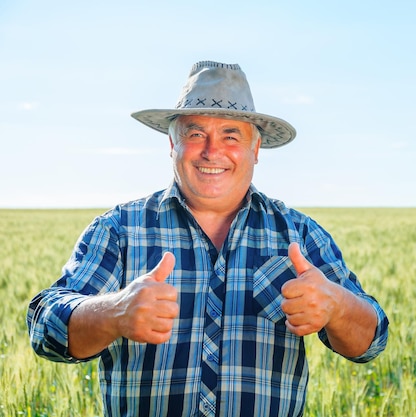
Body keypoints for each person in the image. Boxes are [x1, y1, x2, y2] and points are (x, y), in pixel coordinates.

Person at [27, 60, 389, 417]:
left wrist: (337, 306)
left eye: (231, 135)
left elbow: (371, 343)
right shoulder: (119, 229)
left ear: (256, 150)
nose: (212, 151)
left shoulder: (299, 233)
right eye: (195, 133)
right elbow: (44, 328)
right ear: (172, 144)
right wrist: (114, 312)